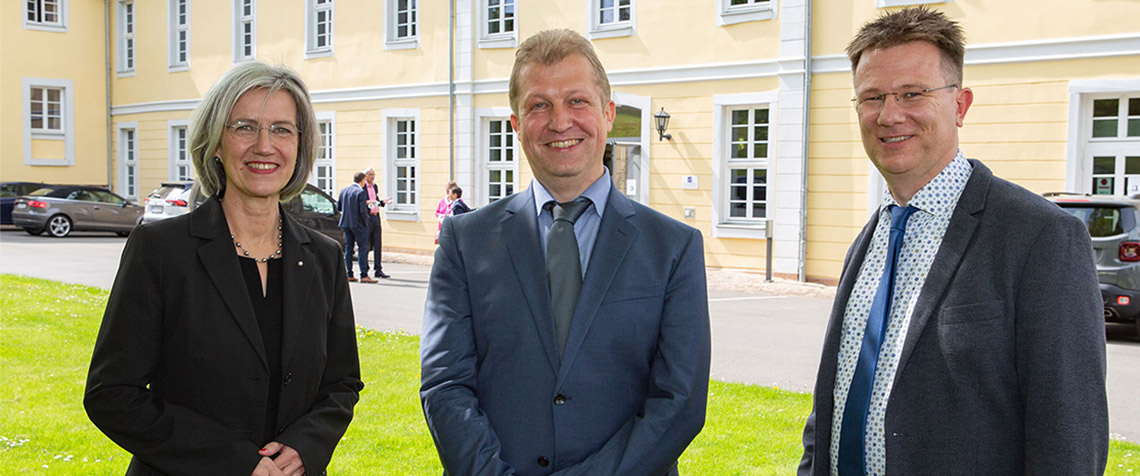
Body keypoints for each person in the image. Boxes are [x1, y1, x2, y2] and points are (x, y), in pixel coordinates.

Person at [797, 8, 1108, 476]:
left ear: (960, 105)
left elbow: (1068, 437)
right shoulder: (869, 238)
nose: (889, 114)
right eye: (871, 97)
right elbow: (837, 400)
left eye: (912, 93)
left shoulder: (1042, 237)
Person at [420, 29, 711, 476]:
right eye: (539, 105)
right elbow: (445, 385)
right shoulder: (465, 240)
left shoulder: (673, 248)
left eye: (577, 101)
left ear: (608, 113)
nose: (560, 122)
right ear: (516, 125)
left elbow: (680, 402)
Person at [84, 62, 364, 476]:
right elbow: (112, 393)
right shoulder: (161, 251)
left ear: (300, 146)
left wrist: (305, 447)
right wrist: (233, 461)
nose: (265, 146)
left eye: (282, 129)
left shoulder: (323, 257)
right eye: (245, 127)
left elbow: (342, 383)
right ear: (216, 142)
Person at [337, 172, 375, 283]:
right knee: (363, 248)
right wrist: (366, 221)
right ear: (362, 180)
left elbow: (338, 206)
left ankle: (349, 273)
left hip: (346, 223)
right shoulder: (360, 192)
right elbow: (362, 210)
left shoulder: (344, 190)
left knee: (349, 248)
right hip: (359, 224)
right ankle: (364, 274)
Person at [361, 168, 392, 279]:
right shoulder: (362, 187)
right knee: (366, 245)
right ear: (365, 176)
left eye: (374, 174)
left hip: (376, 216)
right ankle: (364, 269)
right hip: (367, 217)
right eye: (370, 174)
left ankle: (378, 269)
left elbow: (376, 200)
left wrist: (382, 202)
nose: (372, 177)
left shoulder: (374, 186)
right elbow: (362, 202)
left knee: (378, 244)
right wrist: (368, 203)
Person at [433, 180, 458, 244]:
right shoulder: (442, 201)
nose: (447, 191)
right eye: (446, 189)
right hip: (442, 227)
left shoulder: (458, 202)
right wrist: (441, 216)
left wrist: (449, 216)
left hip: (453, 229)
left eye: (449, 189)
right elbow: (437, 212)